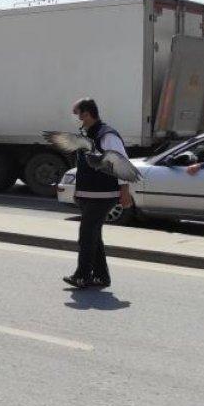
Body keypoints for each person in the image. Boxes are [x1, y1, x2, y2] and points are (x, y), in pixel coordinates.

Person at [64, 98, 133, 289]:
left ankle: (82, 276)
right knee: (94, 235)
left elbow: (122, 163)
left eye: (76, 113)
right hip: (89, 194)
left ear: (86, 114)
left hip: (103, 195)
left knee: (86, 234)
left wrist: (124, 191)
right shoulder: (87, 134)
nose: (74, 118)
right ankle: (101, 276)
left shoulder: (107, 135)